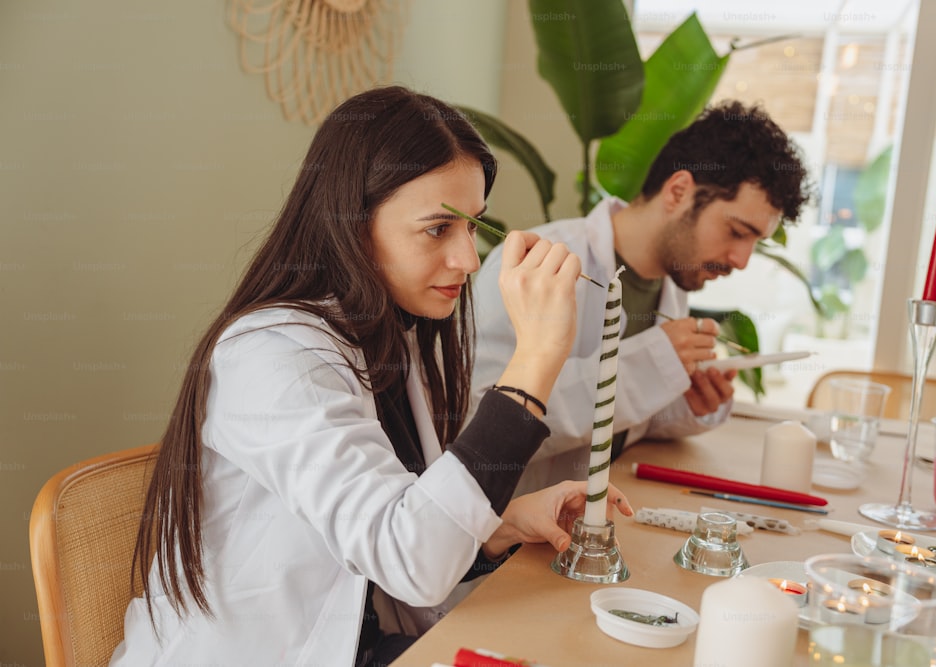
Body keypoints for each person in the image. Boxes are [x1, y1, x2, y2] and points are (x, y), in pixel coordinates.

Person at [110, 86, 633, 667]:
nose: (468, 259)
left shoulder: (386, 338)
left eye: (472, 227)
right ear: (351, 223)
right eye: (438, 228)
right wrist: (536, 357)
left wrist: (500, 526)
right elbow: (411, 560)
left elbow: (392, 527)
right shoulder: (274, 358)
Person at [471, 100, 812, 494]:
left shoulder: (671, 281)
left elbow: (622, 422)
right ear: (679, 191)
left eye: (755, 242)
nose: (742, 260)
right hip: (512, 540)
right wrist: (652, 365)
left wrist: (685, 405)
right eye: (737, 232)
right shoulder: (538, 263)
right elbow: (480, 425)